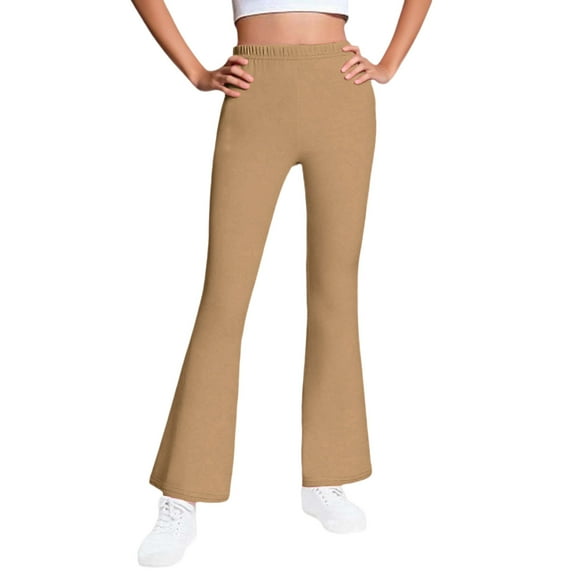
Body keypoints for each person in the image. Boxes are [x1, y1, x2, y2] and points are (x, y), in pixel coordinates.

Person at [131, 0, 432, 566]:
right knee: (224, 298)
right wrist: (196, 72)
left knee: (335, 291)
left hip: (340, 89)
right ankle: (182, 494)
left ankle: (328, 475)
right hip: (254, 89)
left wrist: (390, 62)